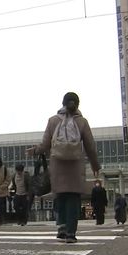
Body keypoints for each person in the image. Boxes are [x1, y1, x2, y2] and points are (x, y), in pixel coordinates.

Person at [27, 92, 100, 243]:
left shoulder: (53, 121)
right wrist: (94, 164)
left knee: (60, 196)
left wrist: (35, 151)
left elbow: (45, 144)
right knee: (73, 198)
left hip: (57, 164)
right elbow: (90, 146)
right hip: (75, 164)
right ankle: (71, 234)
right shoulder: (82, 122)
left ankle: (62, 228)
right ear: (78, 104)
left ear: (63, 103)